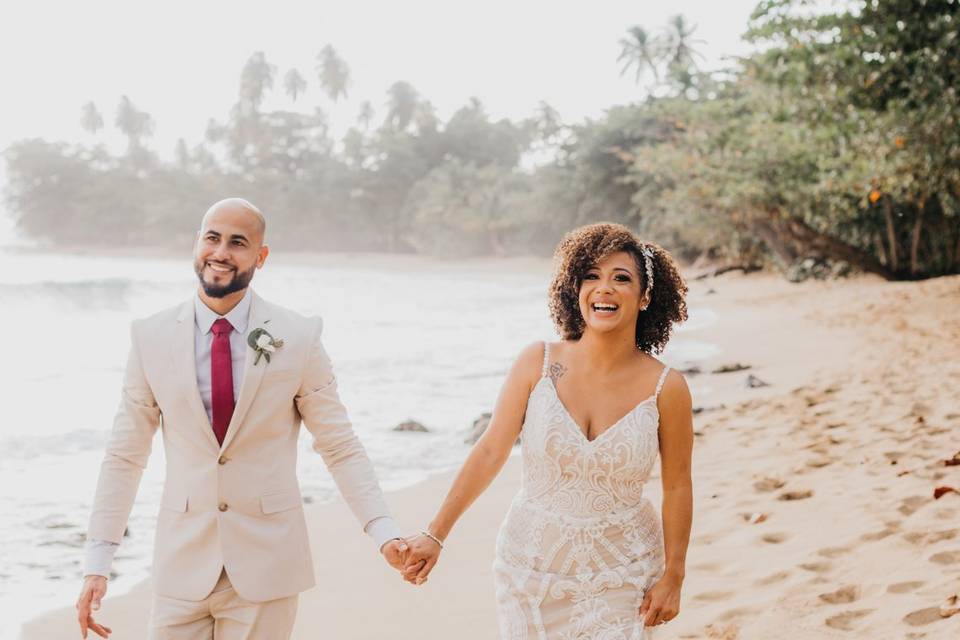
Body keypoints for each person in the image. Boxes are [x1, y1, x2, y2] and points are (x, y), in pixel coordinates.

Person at [74, 198, 408, 639]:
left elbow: (339, 445)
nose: (221, 252)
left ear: (260, 256)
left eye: (238, 242)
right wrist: (98, 561)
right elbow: (124, 456)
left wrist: (383, 531)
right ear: (197, 244)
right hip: (181, 568)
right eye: (212, 238)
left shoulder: (299, 336)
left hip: (266, 567)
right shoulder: (150, 336)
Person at [402, 223, 694, 638]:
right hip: (530, 567)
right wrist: (435, 534)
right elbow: (490, 451)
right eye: (591, 276)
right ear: (575, 290)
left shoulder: (668, 387)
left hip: (624, 572)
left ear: (645, 296)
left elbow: (678, 485)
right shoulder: (537, 363)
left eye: (621, 278)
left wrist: (674, 576)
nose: (603, 288)